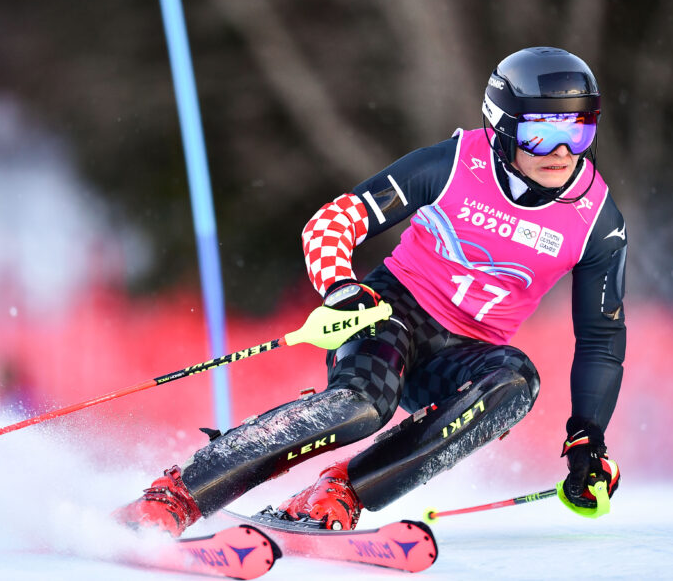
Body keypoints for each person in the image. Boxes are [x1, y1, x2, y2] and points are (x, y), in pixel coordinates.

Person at [117, 46, 626, 535]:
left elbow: (602, 339)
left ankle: (339, 492)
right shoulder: (450, 165)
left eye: (578, 132)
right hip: (393, 314)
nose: (562, 152)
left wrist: (588, 438)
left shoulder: (597, 221)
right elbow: (332, 223)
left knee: (517, 383)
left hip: (468, 354)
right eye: (542, 133)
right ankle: (179, 493)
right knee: (360, 407)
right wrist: (341, 288)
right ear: (502, 128)